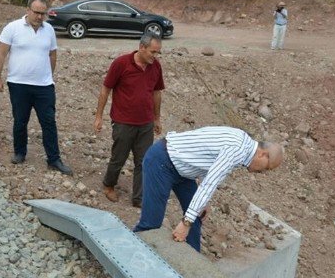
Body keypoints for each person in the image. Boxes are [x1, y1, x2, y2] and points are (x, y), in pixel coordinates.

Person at [133, 126, 284, 251]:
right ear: (263, 155)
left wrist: (200, 205)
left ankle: (190, 270)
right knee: (151, 224)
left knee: (196, 216)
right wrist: (185, 223)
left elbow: (209, 164)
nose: (262, 173)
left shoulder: (244, 146)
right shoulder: (237, 149)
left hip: (183, 169)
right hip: (162, 162)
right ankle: (127, 255)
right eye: (266, 169)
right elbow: (210, 183)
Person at [0, 0, 72, 175]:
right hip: (18, 84)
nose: (39, 17)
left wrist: (48, 75)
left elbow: (52, 54)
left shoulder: (49, 30)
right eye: (36, 12)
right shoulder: (12, 28)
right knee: (20, 120)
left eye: (43, 14)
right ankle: (20, 152)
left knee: (49, 121)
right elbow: (0, 53)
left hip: (44, 86)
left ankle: (54, 159)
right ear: (27, 10)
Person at [95, 33, 164, 207]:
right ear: (142, 47)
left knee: (144, 161)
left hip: (146, 123)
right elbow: (106, 89)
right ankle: (109, 185)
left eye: (157, 53)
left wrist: (157, 118)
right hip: (123, 122)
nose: (155, 56)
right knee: (119, 157)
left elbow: (157, 92)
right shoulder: (121, 63)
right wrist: (98, 116)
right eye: (153, 52)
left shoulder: (155, 67)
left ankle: (139, 198)